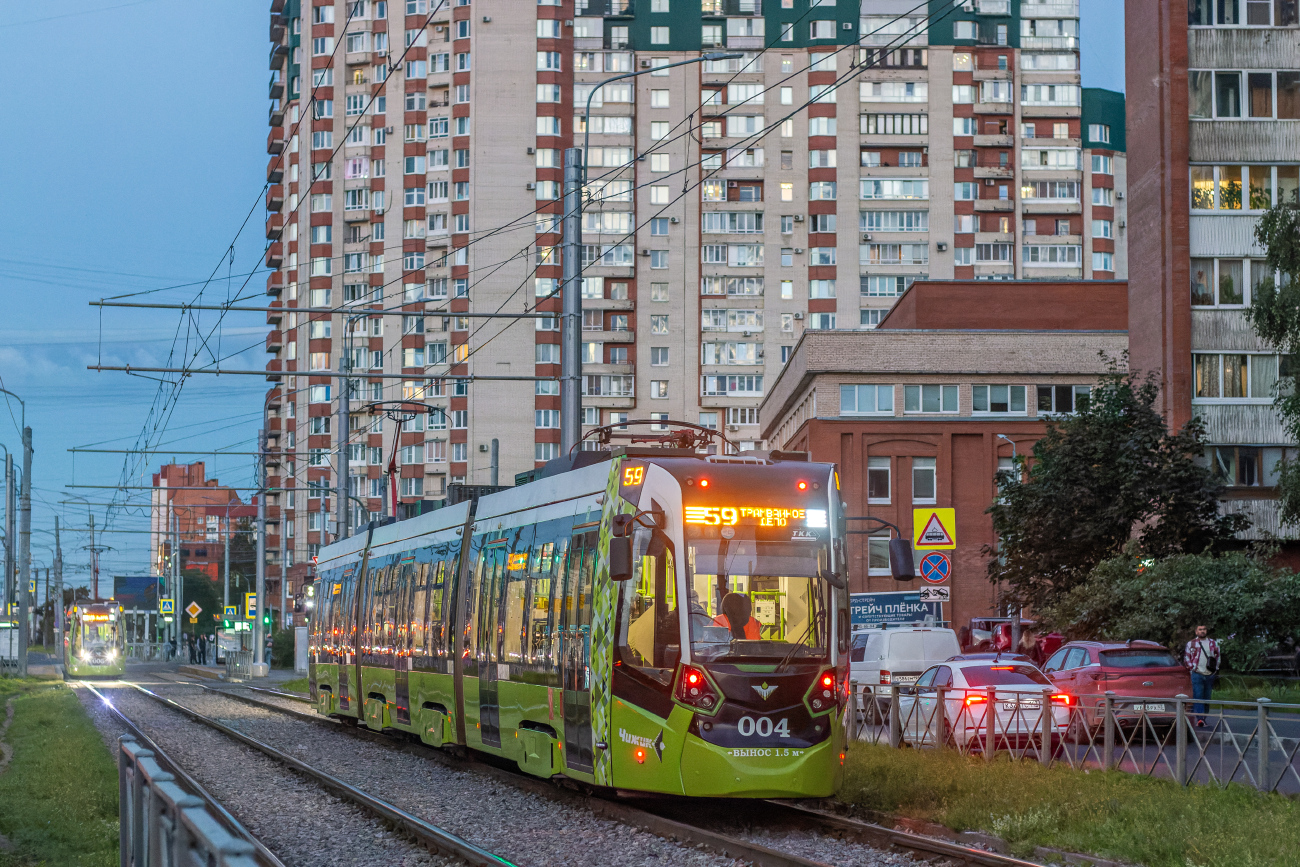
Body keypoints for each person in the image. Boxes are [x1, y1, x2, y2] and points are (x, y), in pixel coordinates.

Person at [1183, 624, 1220, 727]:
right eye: (1200, 629)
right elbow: (1187, 657)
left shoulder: (1213, 643)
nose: (1202, 631)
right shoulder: (1191, 643)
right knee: (1198, 696)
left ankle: (1204, 717)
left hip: (1209, 674)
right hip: (1197, 674)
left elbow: (1218, 657)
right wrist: (1192, 668)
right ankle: (1200, 719)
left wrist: (1215, 669)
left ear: (1206, 631)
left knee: (1207, 698)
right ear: (1196, 631)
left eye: (1204, 629)